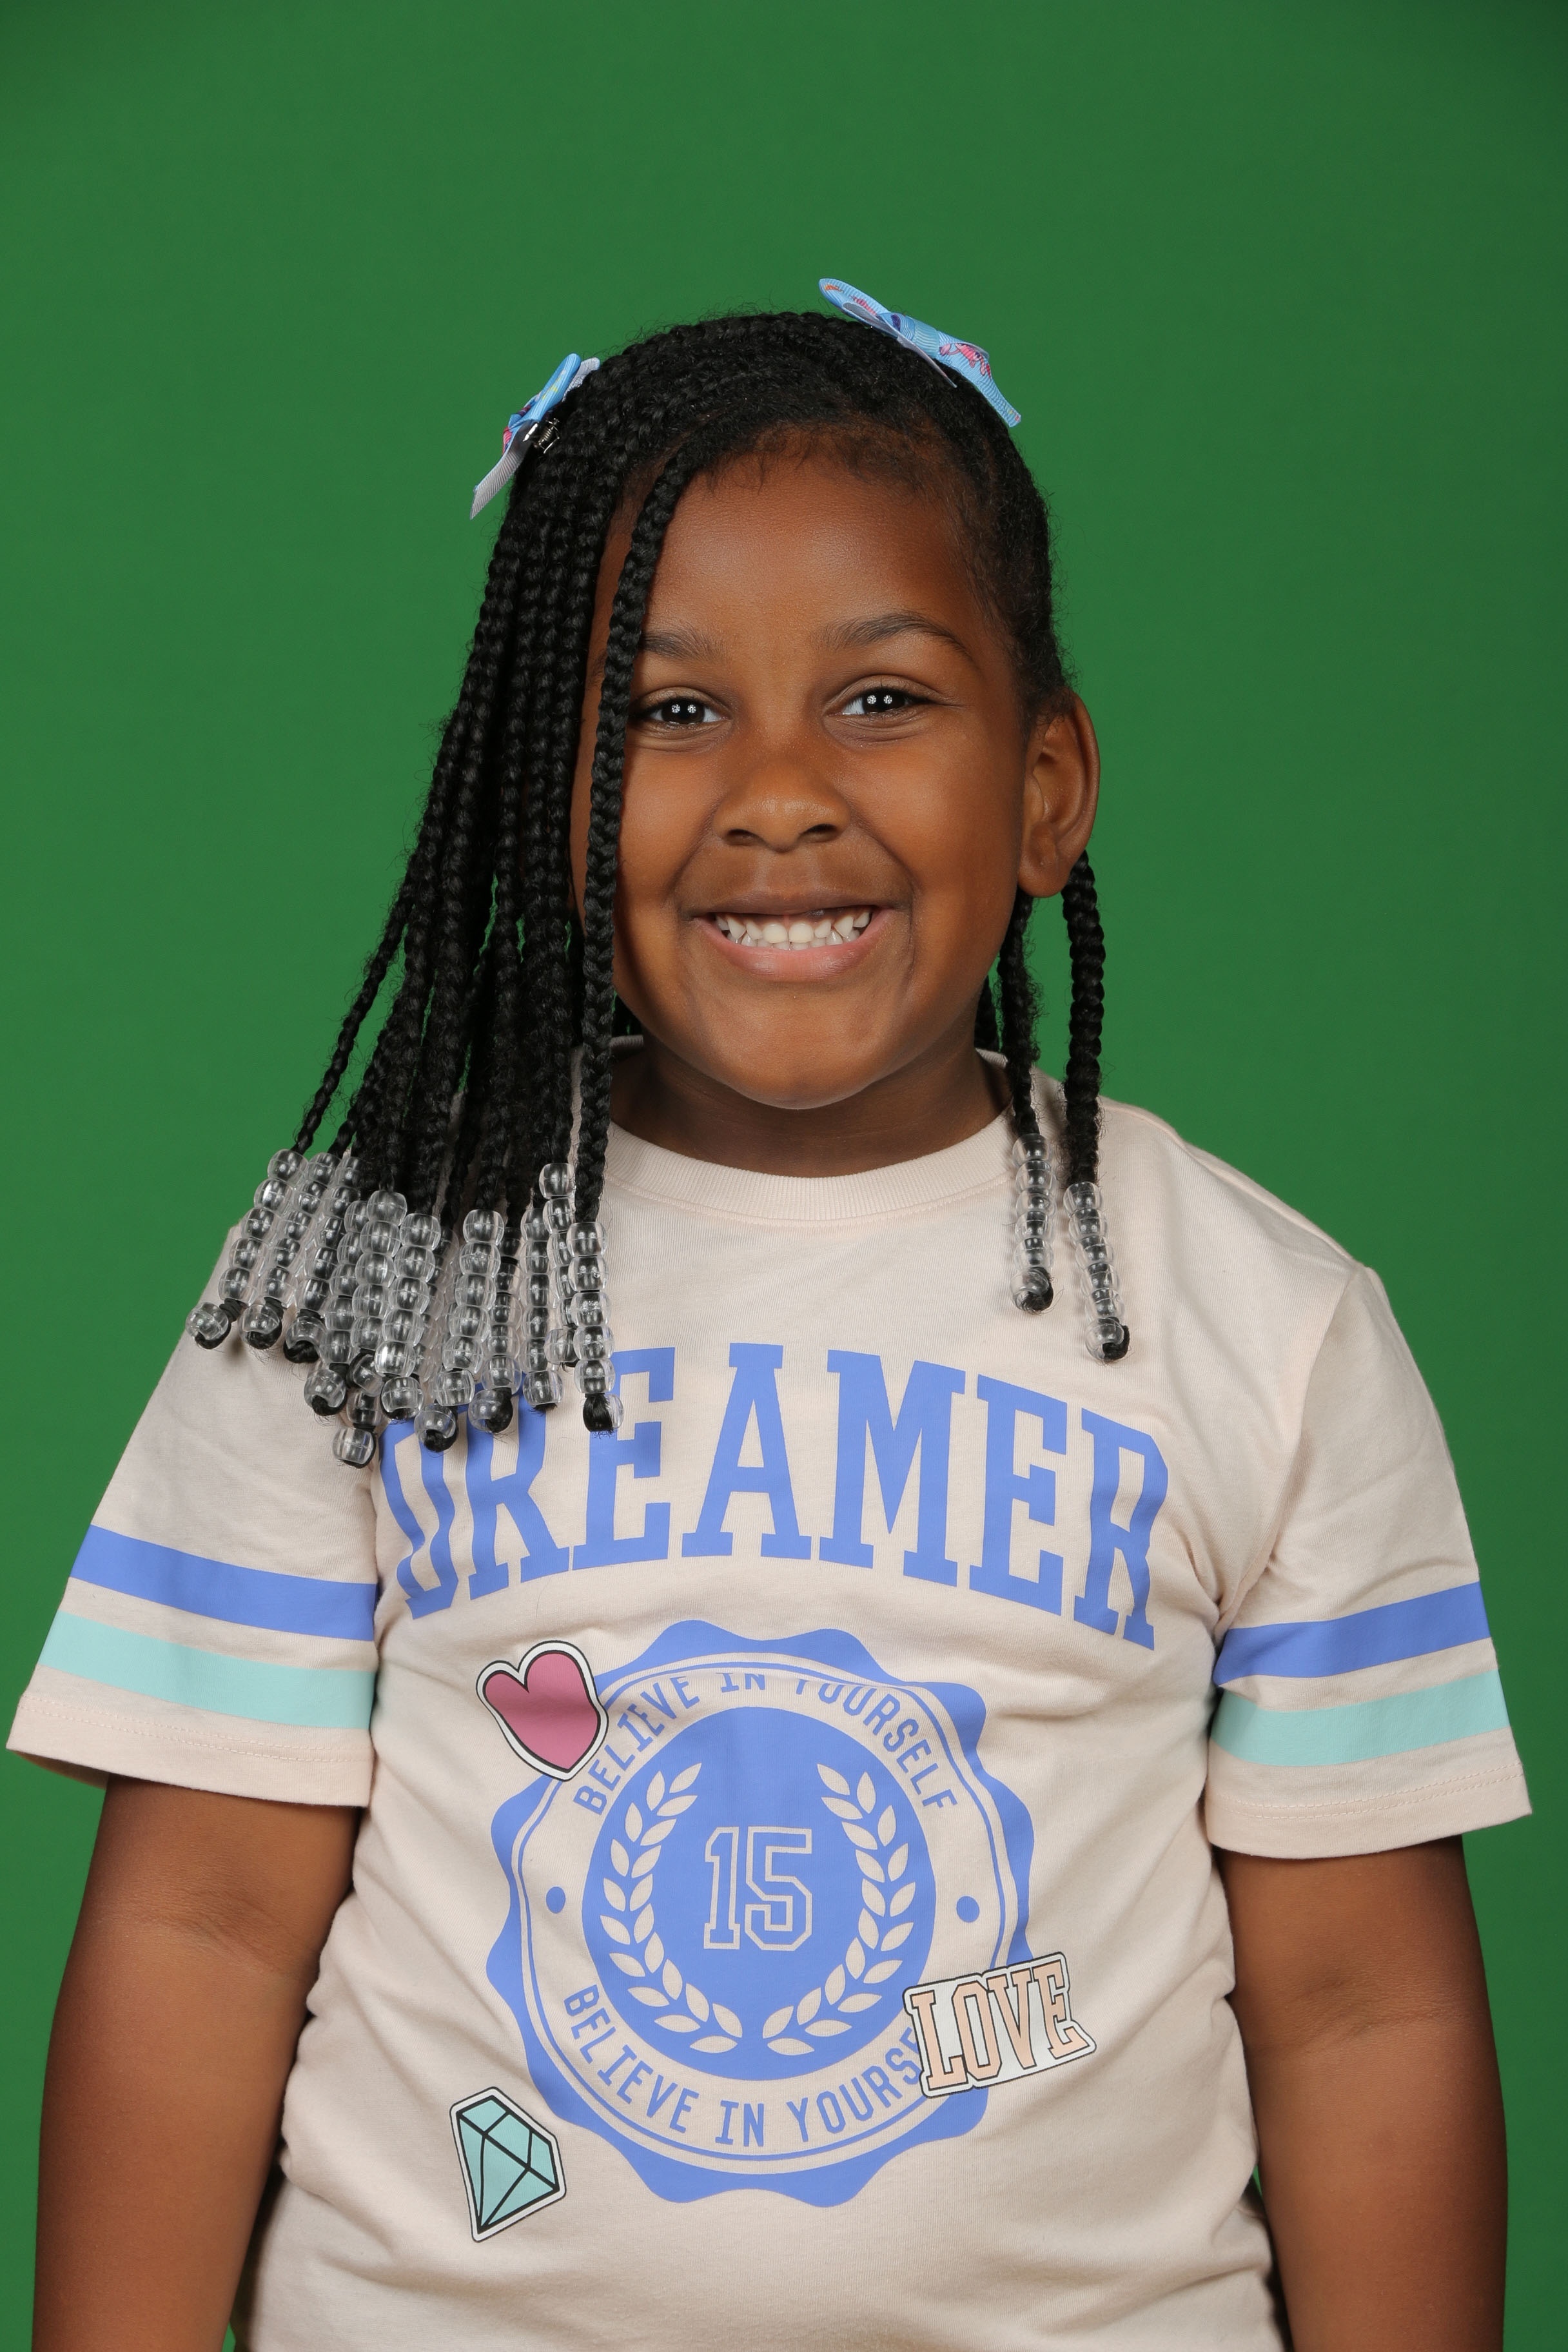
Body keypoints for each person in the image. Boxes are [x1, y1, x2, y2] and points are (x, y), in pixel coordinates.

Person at [12, 285, 1528, 2352]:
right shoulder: (379, 1277)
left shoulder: (1266, 1321)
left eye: (883, 699)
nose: (783, 791)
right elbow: (200, 1926)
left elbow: (1358, 2008)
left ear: (1049, 788)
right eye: (668, 712)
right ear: (537, 793)